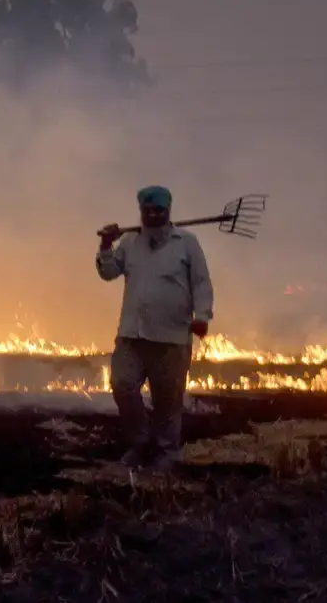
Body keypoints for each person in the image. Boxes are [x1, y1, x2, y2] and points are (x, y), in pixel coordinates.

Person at [95, 185, 214, 472]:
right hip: (132, 334)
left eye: (159, 210)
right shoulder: (129, 243)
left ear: (168, 211)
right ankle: (140, 443)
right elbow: (108, 273)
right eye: (148, 211)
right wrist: (106, 246)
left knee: (168, 401)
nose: (153, 215)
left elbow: (201, 282)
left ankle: (166, 454)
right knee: (122, 384)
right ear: (141, 212)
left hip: (171, 337)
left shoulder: (186, 242)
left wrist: (202, 316)